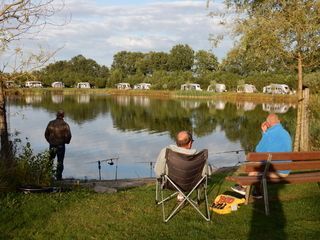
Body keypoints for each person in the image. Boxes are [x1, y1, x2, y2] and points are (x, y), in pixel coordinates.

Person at [231, 113, 292, 198]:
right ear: (278, 121)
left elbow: (259, 150)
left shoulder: (269, 134)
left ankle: (244, 187)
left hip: (277, 173)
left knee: (255, 167)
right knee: (259, 166)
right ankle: (257, 192)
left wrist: (264, 132)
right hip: (286, 171)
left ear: (268, 123)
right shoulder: (286, 133)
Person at [45, 110, 72, 180]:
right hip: (61, 145)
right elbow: (69, 136)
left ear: (56, 115)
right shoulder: (65, 125)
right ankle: (59, 177)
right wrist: (66, 142)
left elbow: (46, 134)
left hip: (52, 145)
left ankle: (47, 176)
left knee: (50, 160)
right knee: (60, 161)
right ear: (63, 116)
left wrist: (50, 141)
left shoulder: (50, 123)